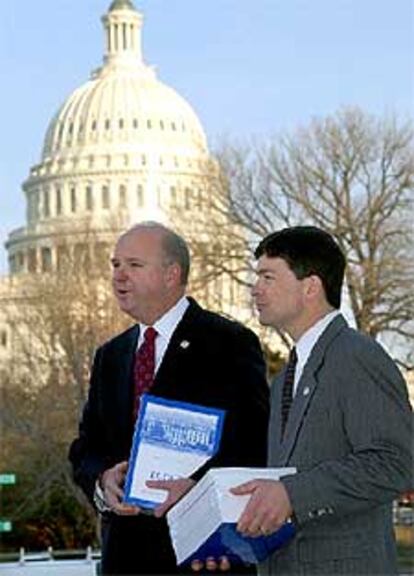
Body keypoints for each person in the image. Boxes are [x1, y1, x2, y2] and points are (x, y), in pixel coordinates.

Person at [69, 221, 270, 575]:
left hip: (202, 556)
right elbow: (86, 447)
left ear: (171, 274)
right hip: (124, 557)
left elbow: (253, 444)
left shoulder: (229, 343)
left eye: (134, 265)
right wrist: (103, 479)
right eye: (116, 265)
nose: (119, 276)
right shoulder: (110, 356)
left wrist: (199, 492)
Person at [231, 226, 413, 575]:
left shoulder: (357, 356)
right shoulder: (286, 376)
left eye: (268, 277)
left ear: (310, 286)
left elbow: (396, 462)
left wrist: (293, 495)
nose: (256, 289)